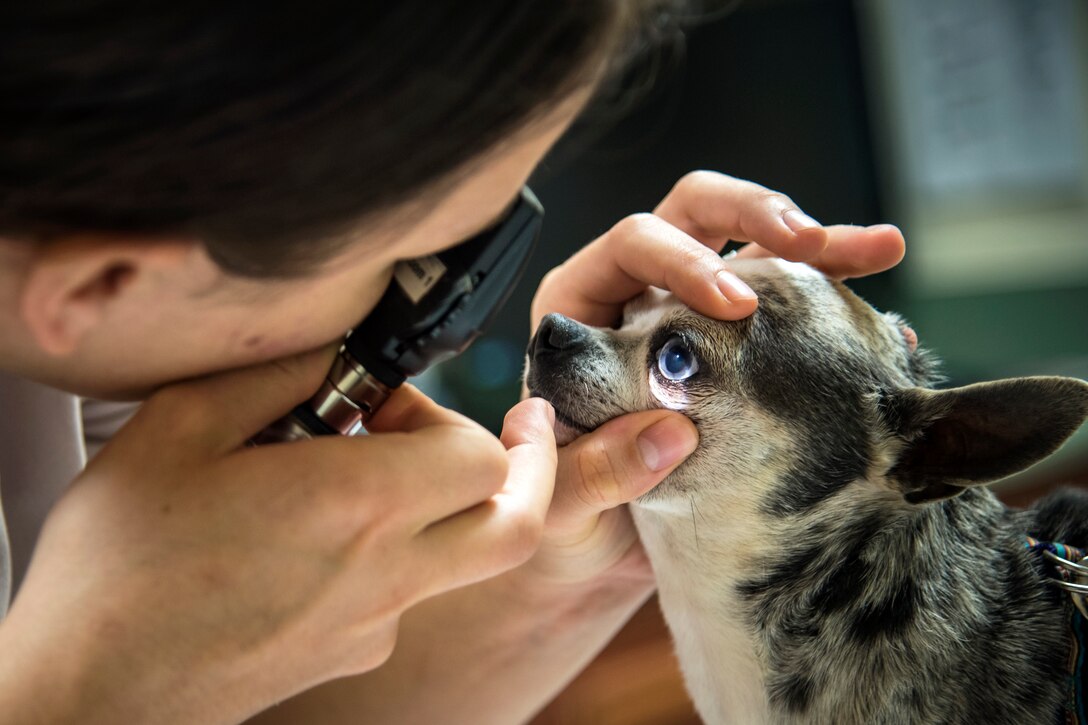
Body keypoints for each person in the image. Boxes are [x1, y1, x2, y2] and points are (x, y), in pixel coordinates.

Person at [0, 2, 905, 723]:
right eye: (417, 262)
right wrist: (81, 694)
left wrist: (590, 547)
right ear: (99, 282)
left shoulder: (112, 346)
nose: (449, 320)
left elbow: (235, 701)